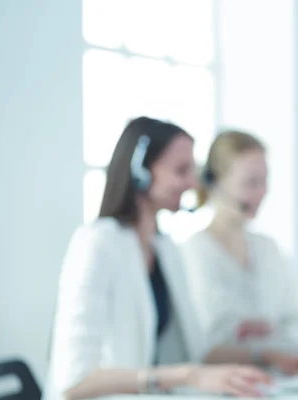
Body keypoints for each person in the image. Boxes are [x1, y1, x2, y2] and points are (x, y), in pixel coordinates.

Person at [45, 117, 272, 400]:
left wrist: (270, 357)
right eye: (181, 170)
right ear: (141, 172)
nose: (193, 182)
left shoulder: (164, 249)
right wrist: (189, 376)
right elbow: (73, 382)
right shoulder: (96, 244)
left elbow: (197, 350)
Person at [180, 130, 298, 376]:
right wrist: (267, 354)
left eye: (264, 181)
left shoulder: (267, 248)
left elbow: (295, 317)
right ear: (215, 182)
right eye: (251, 183)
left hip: (280, 380)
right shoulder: (194, 253)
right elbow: (201, 345)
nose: (261, 192)